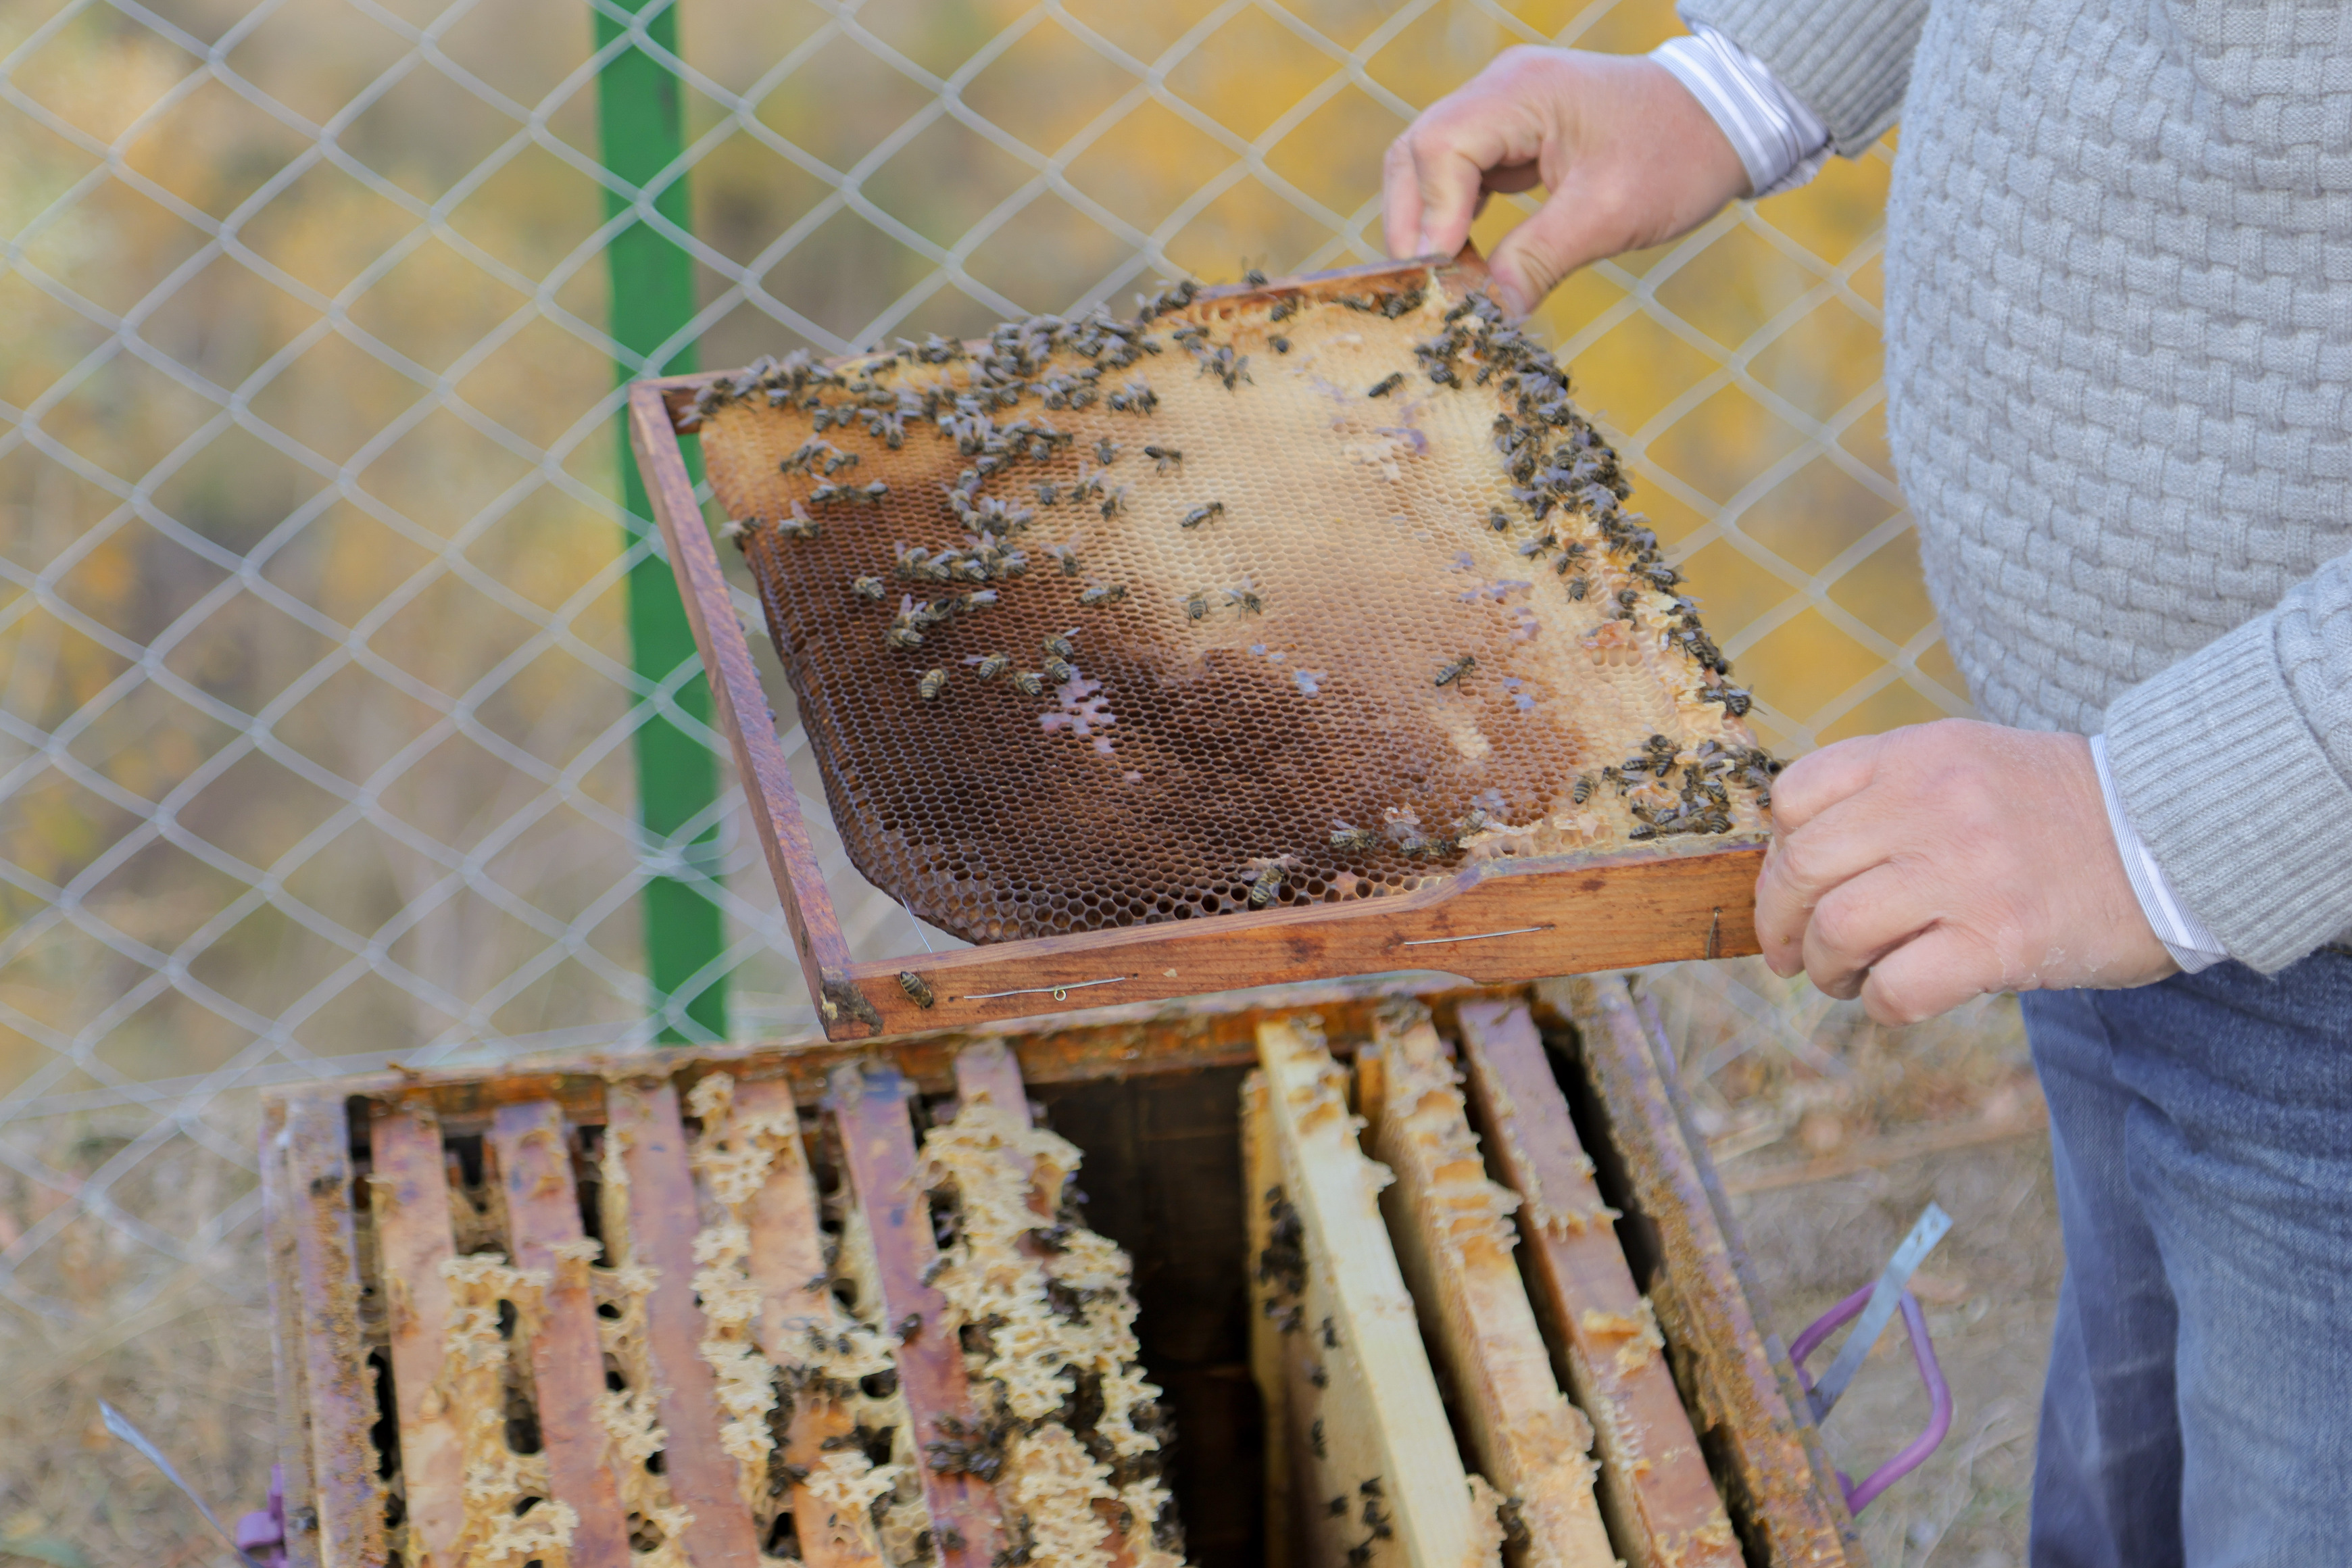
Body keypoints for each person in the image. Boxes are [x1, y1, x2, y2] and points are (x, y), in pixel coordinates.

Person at [1381, 5, 2352, 1564]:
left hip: (2262, 891)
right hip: (2094, 838)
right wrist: (1744, 80)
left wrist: (2170, 815)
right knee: (2129, 1478)